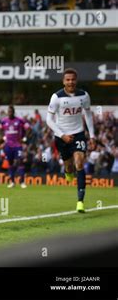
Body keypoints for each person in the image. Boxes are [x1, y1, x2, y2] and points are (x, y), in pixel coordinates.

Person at [46, 68, 95, 213]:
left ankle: (80, 201)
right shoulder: (56, 97)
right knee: (69, 167)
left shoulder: (84, 96)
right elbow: (49, 119)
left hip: (78, 134)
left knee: (80, 162)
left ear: (76, 80)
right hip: (62, 137)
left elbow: (88, 114)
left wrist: (91, 135)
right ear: (63, 81)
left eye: (73, 79)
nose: (70, 82)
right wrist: (62, 135)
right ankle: (68, 172)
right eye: (67, 79)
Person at [0, 105, 30, 189]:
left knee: (20, 161)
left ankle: (22, 182)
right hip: (8, 146)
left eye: (11, 112)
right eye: (8, 112)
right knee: (10, 163)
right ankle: (12, 182)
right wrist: (3, 139)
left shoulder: (19, 120)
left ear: (13, 112)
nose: (10, 113)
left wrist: (24, 138)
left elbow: (28, 128)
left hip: (17, 145)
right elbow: (0, 130)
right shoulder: (4, 121)